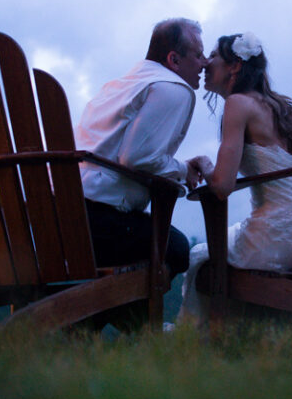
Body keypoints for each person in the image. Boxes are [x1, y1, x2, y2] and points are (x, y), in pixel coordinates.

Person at [178, 32, 292, 324]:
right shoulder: (290, 110)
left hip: (274, 240)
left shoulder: (239, 104)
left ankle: (202, 343)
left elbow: (222, 186)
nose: (206, 62)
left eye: (215, 55)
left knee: (199, 257)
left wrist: (204, 164)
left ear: (234, 66)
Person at [74, 18, 206, 327]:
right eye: (197, 55)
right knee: (175, 248)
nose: (204, 63)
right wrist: (184, 170)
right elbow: (136, 157)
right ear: (174, 59)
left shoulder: (123, 83)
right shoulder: (174, 89)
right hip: (99, 220)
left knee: (155, 245)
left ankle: (126, 328)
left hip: (66, 213)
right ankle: (135, 328)